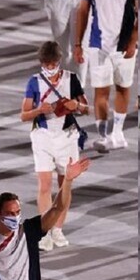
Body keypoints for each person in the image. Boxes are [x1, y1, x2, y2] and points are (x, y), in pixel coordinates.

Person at [21, 41, 89, 251]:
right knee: (44, 185)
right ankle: (44, 231)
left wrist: (76, 105)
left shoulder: (71, 79)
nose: (49, 67)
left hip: (67, 138)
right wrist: (39, 110)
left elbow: (86, 108)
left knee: (64, 185)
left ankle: (57, 229)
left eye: (52, 63)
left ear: (59, 61)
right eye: (45, 64)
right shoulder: (34, 82)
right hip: (42, 137)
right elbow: (24, 115)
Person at [75, 0, 138, 152]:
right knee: (100, 90)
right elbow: (83, 11)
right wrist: (78, 43)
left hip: (124, 45)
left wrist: (133, 41)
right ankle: (102, 135)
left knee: (123, 87)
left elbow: (139, 13)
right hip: (97, 45)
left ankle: (117, 132)